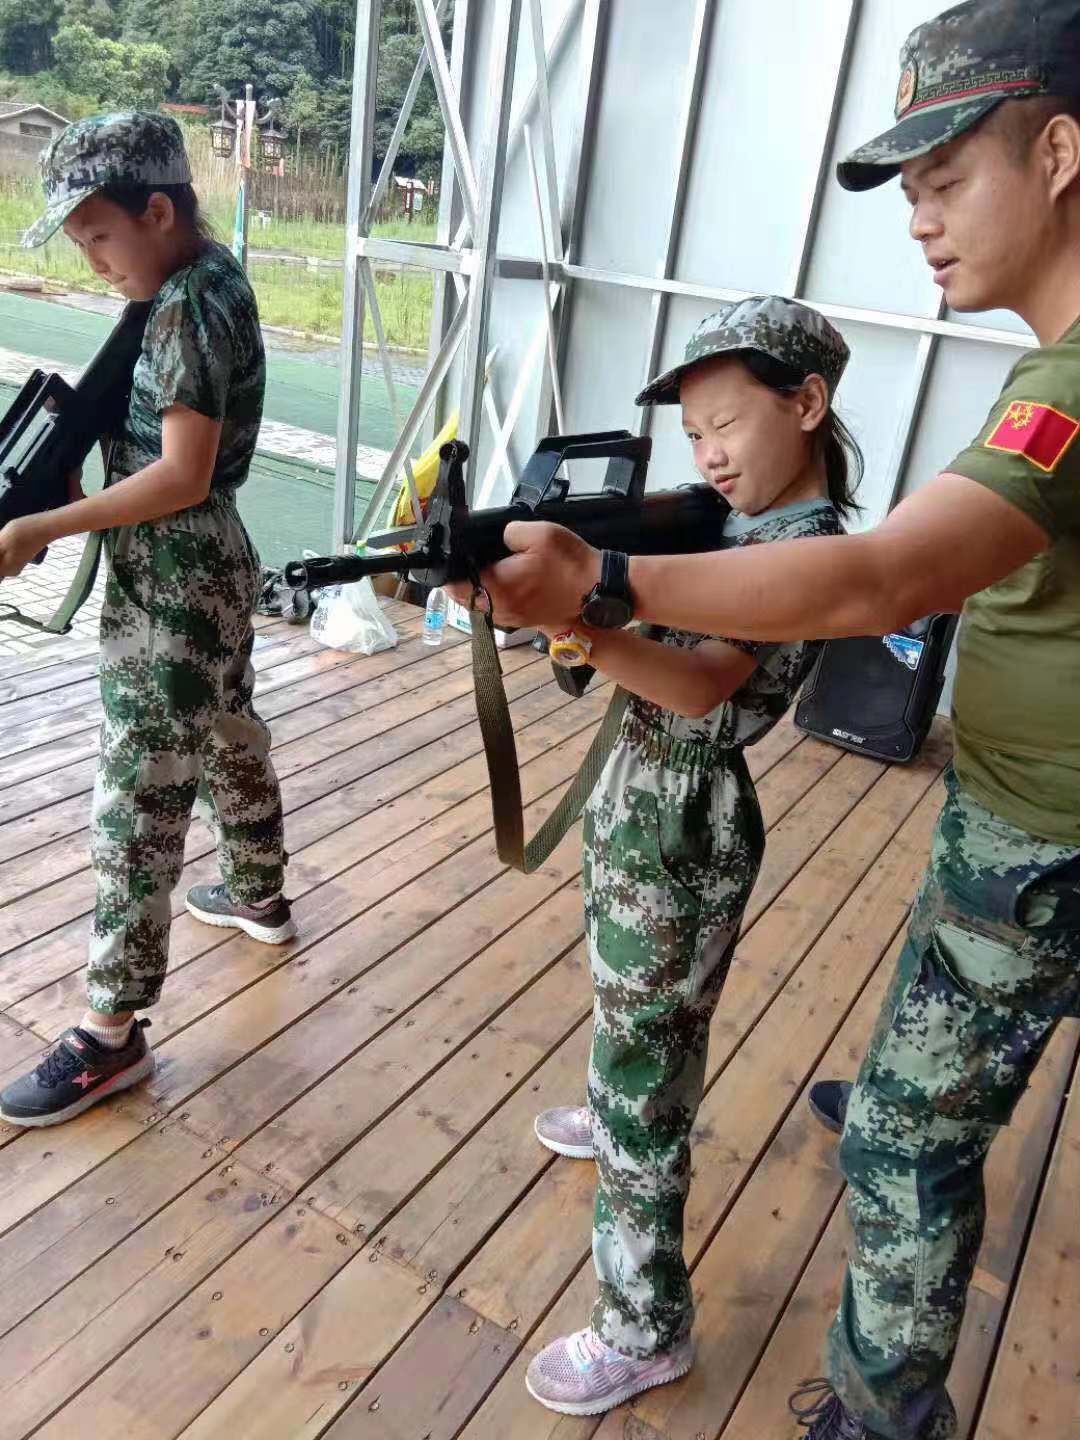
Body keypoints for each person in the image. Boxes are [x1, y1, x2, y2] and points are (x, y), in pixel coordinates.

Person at [456, 3, 1080, 1435]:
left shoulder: (1057, 388)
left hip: (1022, 836)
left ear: (1056, 154)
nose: (919, 220)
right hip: (1008, 822)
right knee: (842, 1101)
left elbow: (871, 583)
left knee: (896, 1143)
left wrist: (599, 589)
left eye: (943, 178)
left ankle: (808, 1384)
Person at [523, 296, 862, 1416]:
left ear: (806, 404)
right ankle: (619, 1096)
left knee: (648, 1066)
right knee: (636, 1021)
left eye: (726, 424)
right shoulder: (728, 529)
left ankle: (643, 1326)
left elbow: (704, 685)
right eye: (694, 433)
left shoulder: (805, 551)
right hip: (641, 801)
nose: (708, 453)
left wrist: (591, 612)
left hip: (684, 814)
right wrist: (570, 622)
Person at [0, 113, 293, 1129]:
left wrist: (42, 525)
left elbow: (183, 474)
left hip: (174, 577)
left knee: (138, 800)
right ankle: (257, 890)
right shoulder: (204, 280)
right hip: (205, 566)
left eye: (99, 236)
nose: (91, 260)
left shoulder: (183, 309)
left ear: (158, 211)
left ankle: (109, 1033)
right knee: (226, 732)